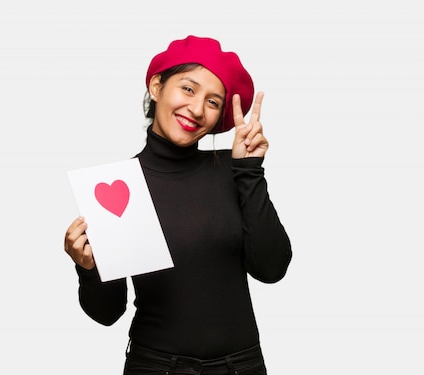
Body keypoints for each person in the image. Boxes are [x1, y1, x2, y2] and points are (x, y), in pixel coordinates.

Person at [64, 35, 292, 375]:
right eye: (188, 89)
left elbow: (271, 269)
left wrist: (249, 171)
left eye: (213, 102)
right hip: (155, 367)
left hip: (241, 367)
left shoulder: (235, 170)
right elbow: (107, 313)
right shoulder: (116, 187)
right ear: (157, 86)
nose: (197, 109)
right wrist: (87, 268)